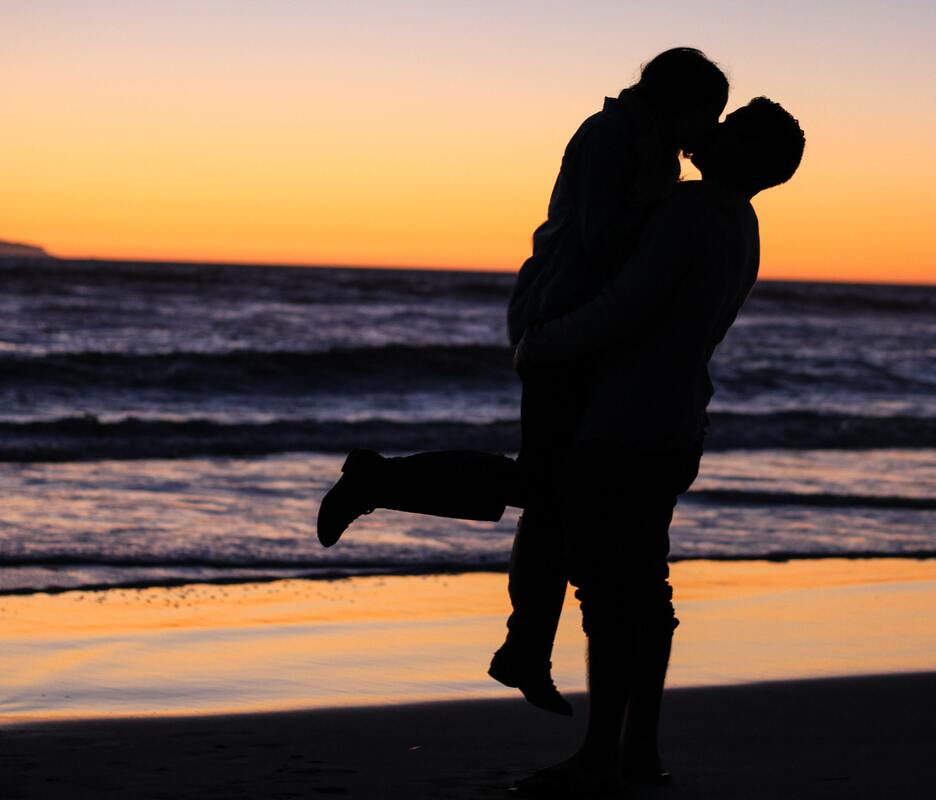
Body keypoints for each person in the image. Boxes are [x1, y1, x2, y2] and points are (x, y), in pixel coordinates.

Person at [317, 48, 729, 716]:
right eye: (704, 115)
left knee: (554, 495)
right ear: (678, 102)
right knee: (546, 485)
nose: (706, 131)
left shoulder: (646, 143)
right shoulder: (614, 137)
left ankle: (525, 648)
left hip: (582, 328)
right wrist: (681, 211)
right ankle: (379, 481)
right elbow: (602, 239)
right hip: (562, 323)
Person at [505, 97, 806, 796]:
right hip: (673, 422)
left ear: (747, 158)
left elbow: (626, 305)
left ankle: (602, 756)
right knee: (646, 593)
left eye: (728, 130)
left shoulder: (693, 213)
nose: (711, 129)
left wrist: (542, 343)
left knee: (612, 597)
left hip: (625, 424)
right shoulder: (738, 220)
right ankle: (635, 750)